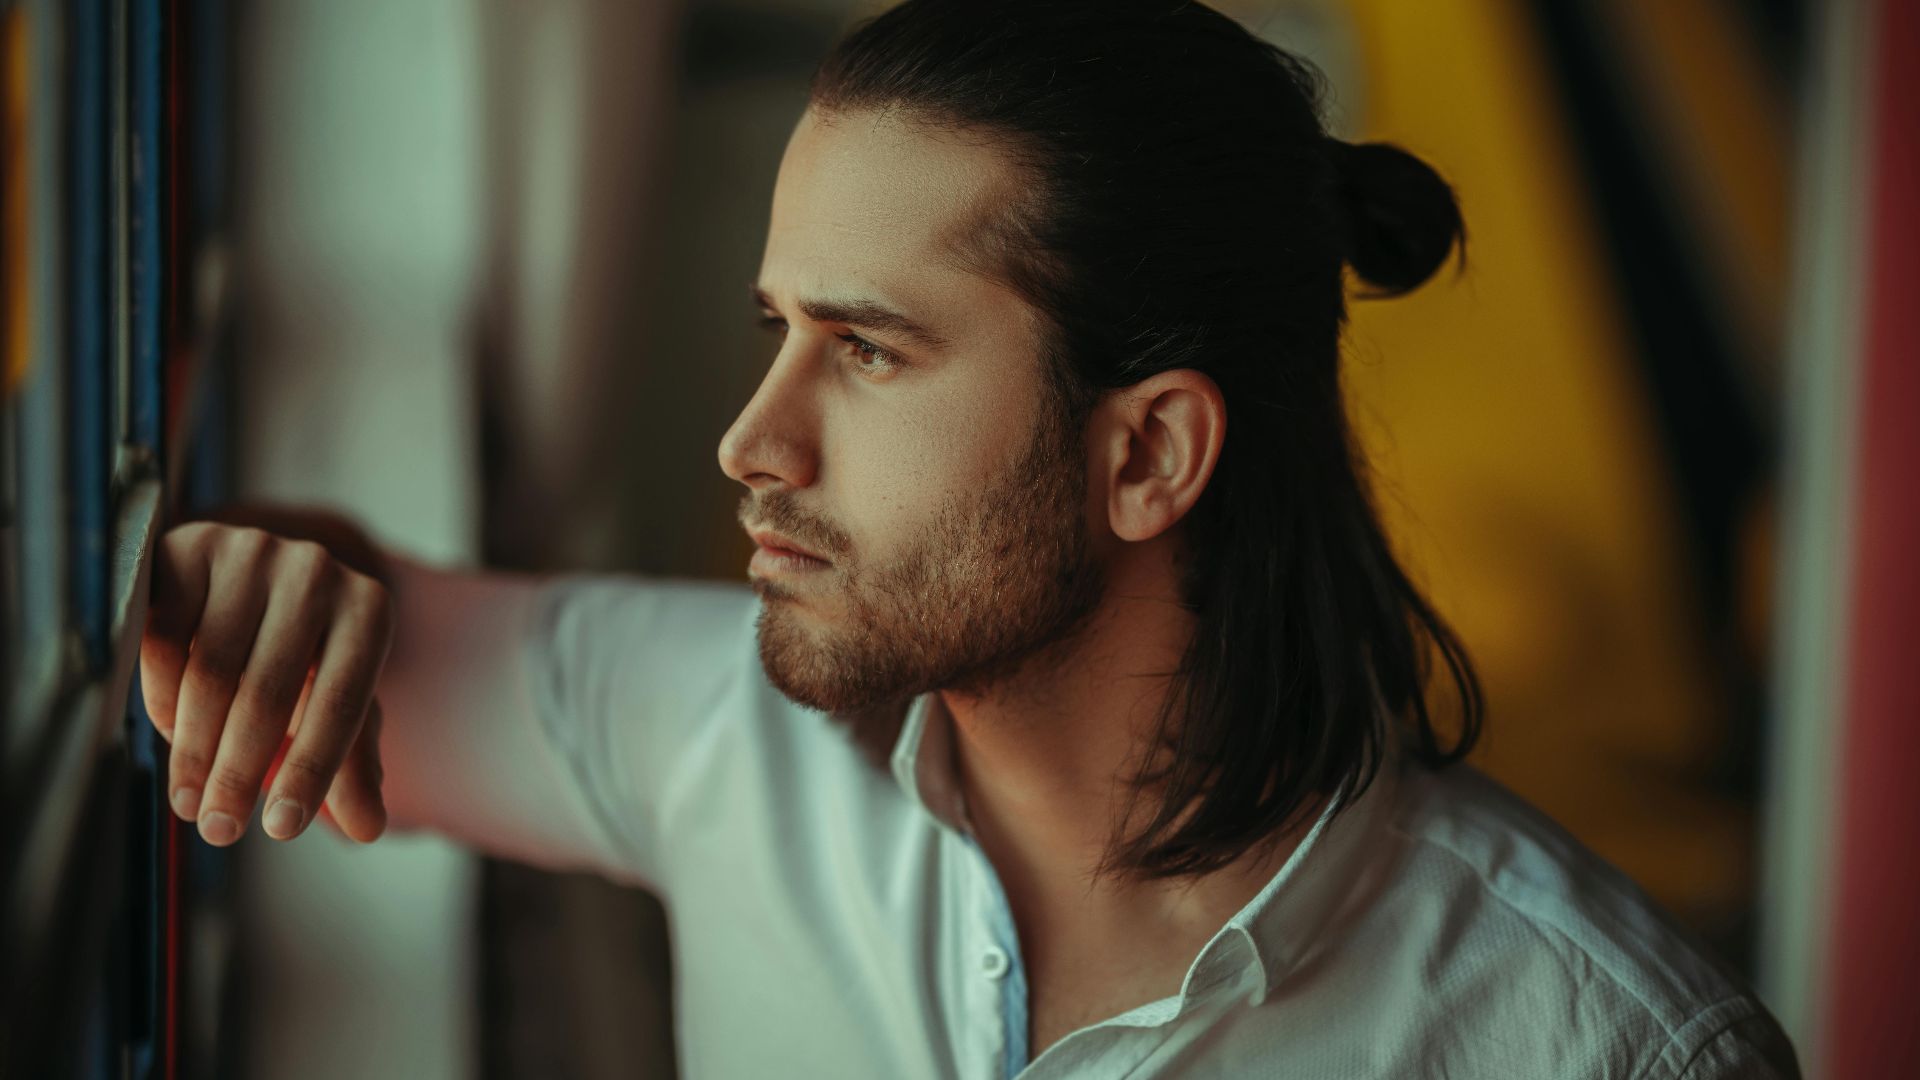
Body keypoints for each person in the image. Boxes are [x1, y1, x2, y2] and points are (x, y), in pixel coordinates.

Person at [139, 1, 1799, 1076]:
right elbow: (310, 641)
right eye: (775, 328)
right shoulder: (724, 731)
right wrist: (277, 570)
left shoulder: (1611, 1050)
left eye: (865, 352)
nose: (751, 440)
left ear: (1146, 452)